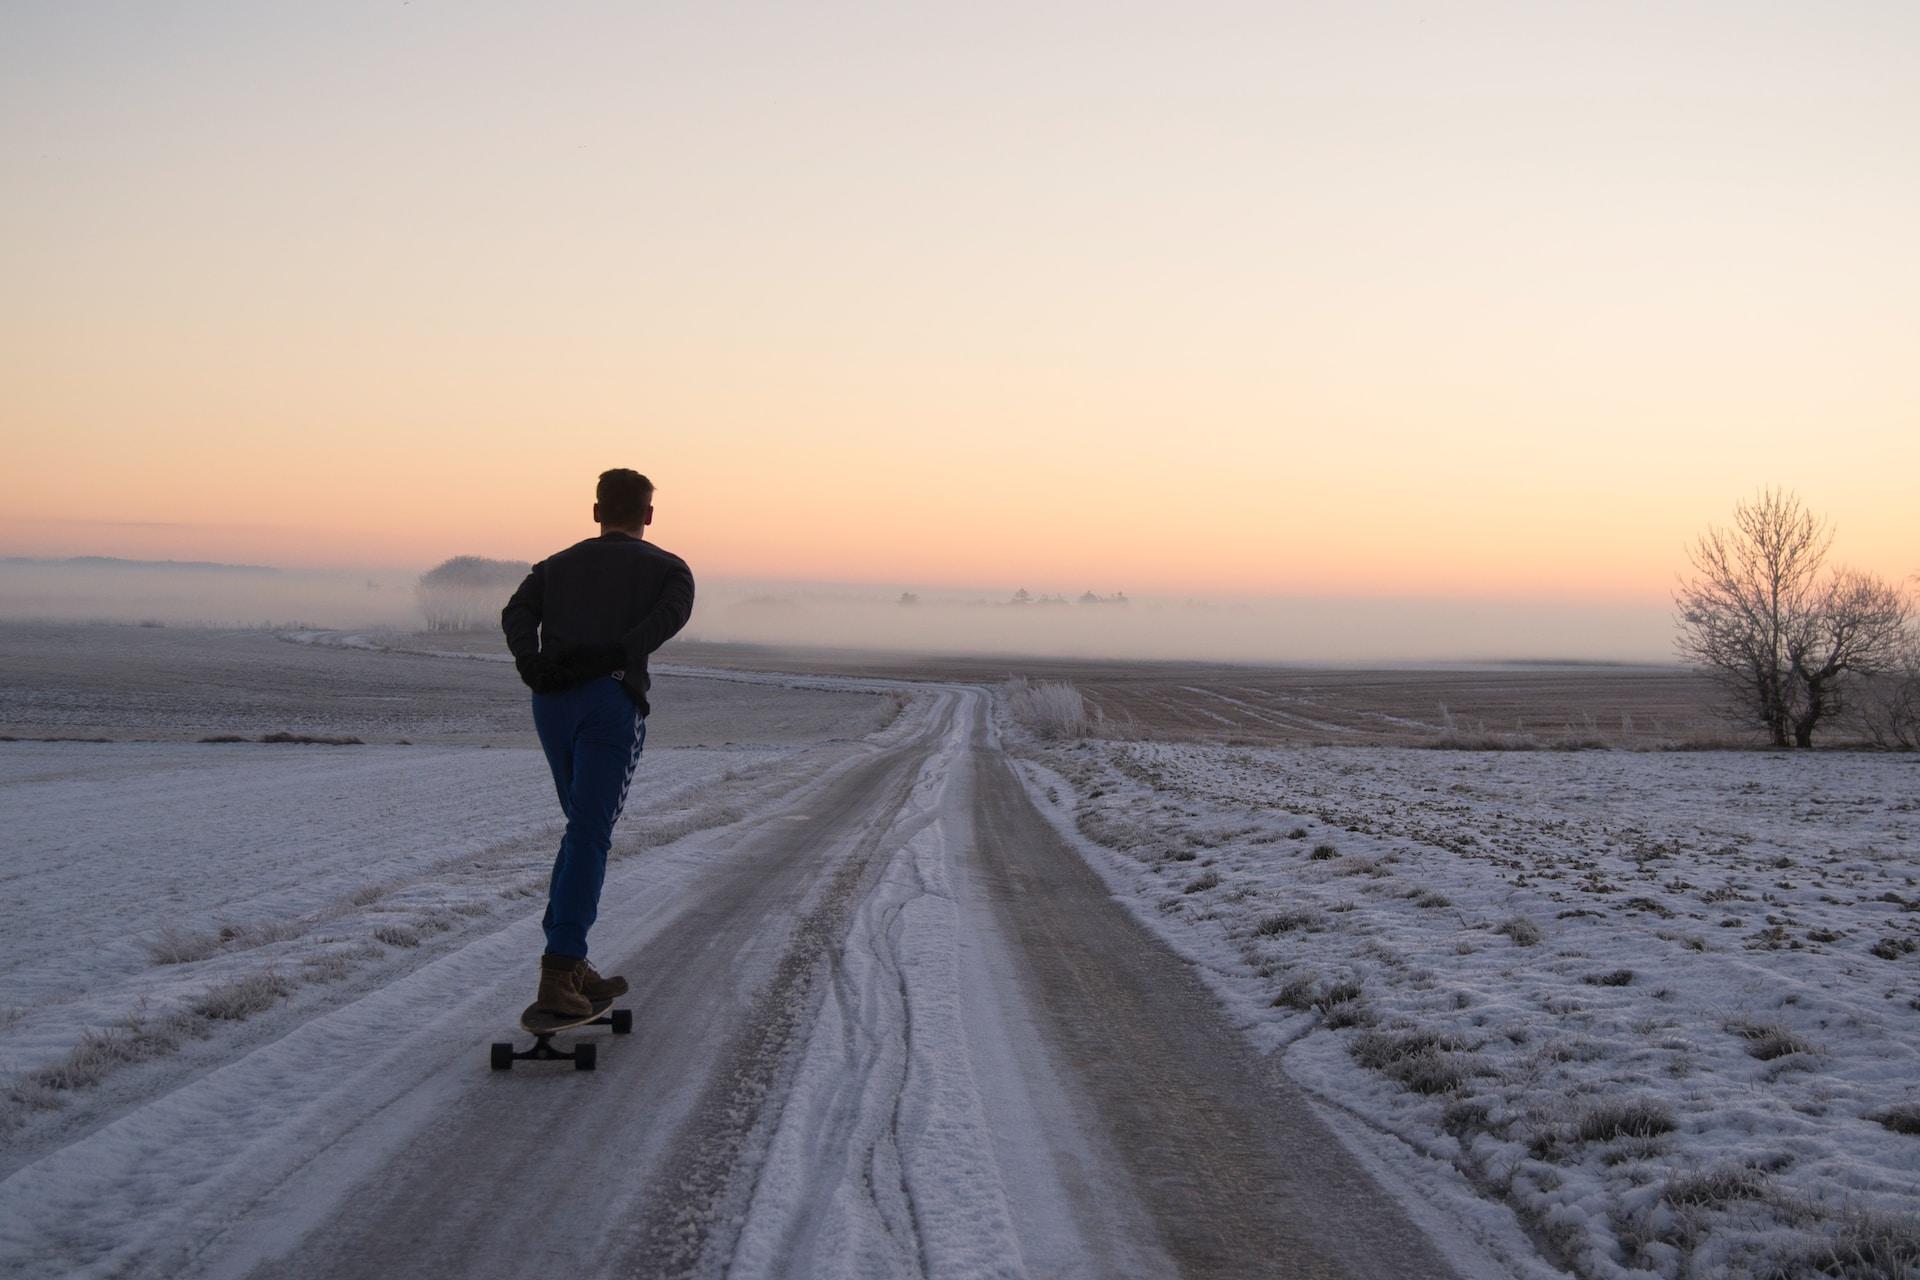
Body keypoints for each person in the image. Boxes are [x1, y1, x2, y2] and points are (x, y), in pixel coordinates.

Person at [501, 469, 695, 1017]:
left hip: (551, 702)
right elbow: (665, 622)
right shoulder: (670, 568)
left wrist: (530, 663)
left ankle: (568, 959)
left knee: (580, 829)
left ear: (596, 511)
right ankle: (561, 968)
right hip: (611, 703)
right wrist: (614, 654)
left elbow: (516, 611)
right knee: (590, 832)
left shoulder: (555, 565)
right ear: (649, 515)